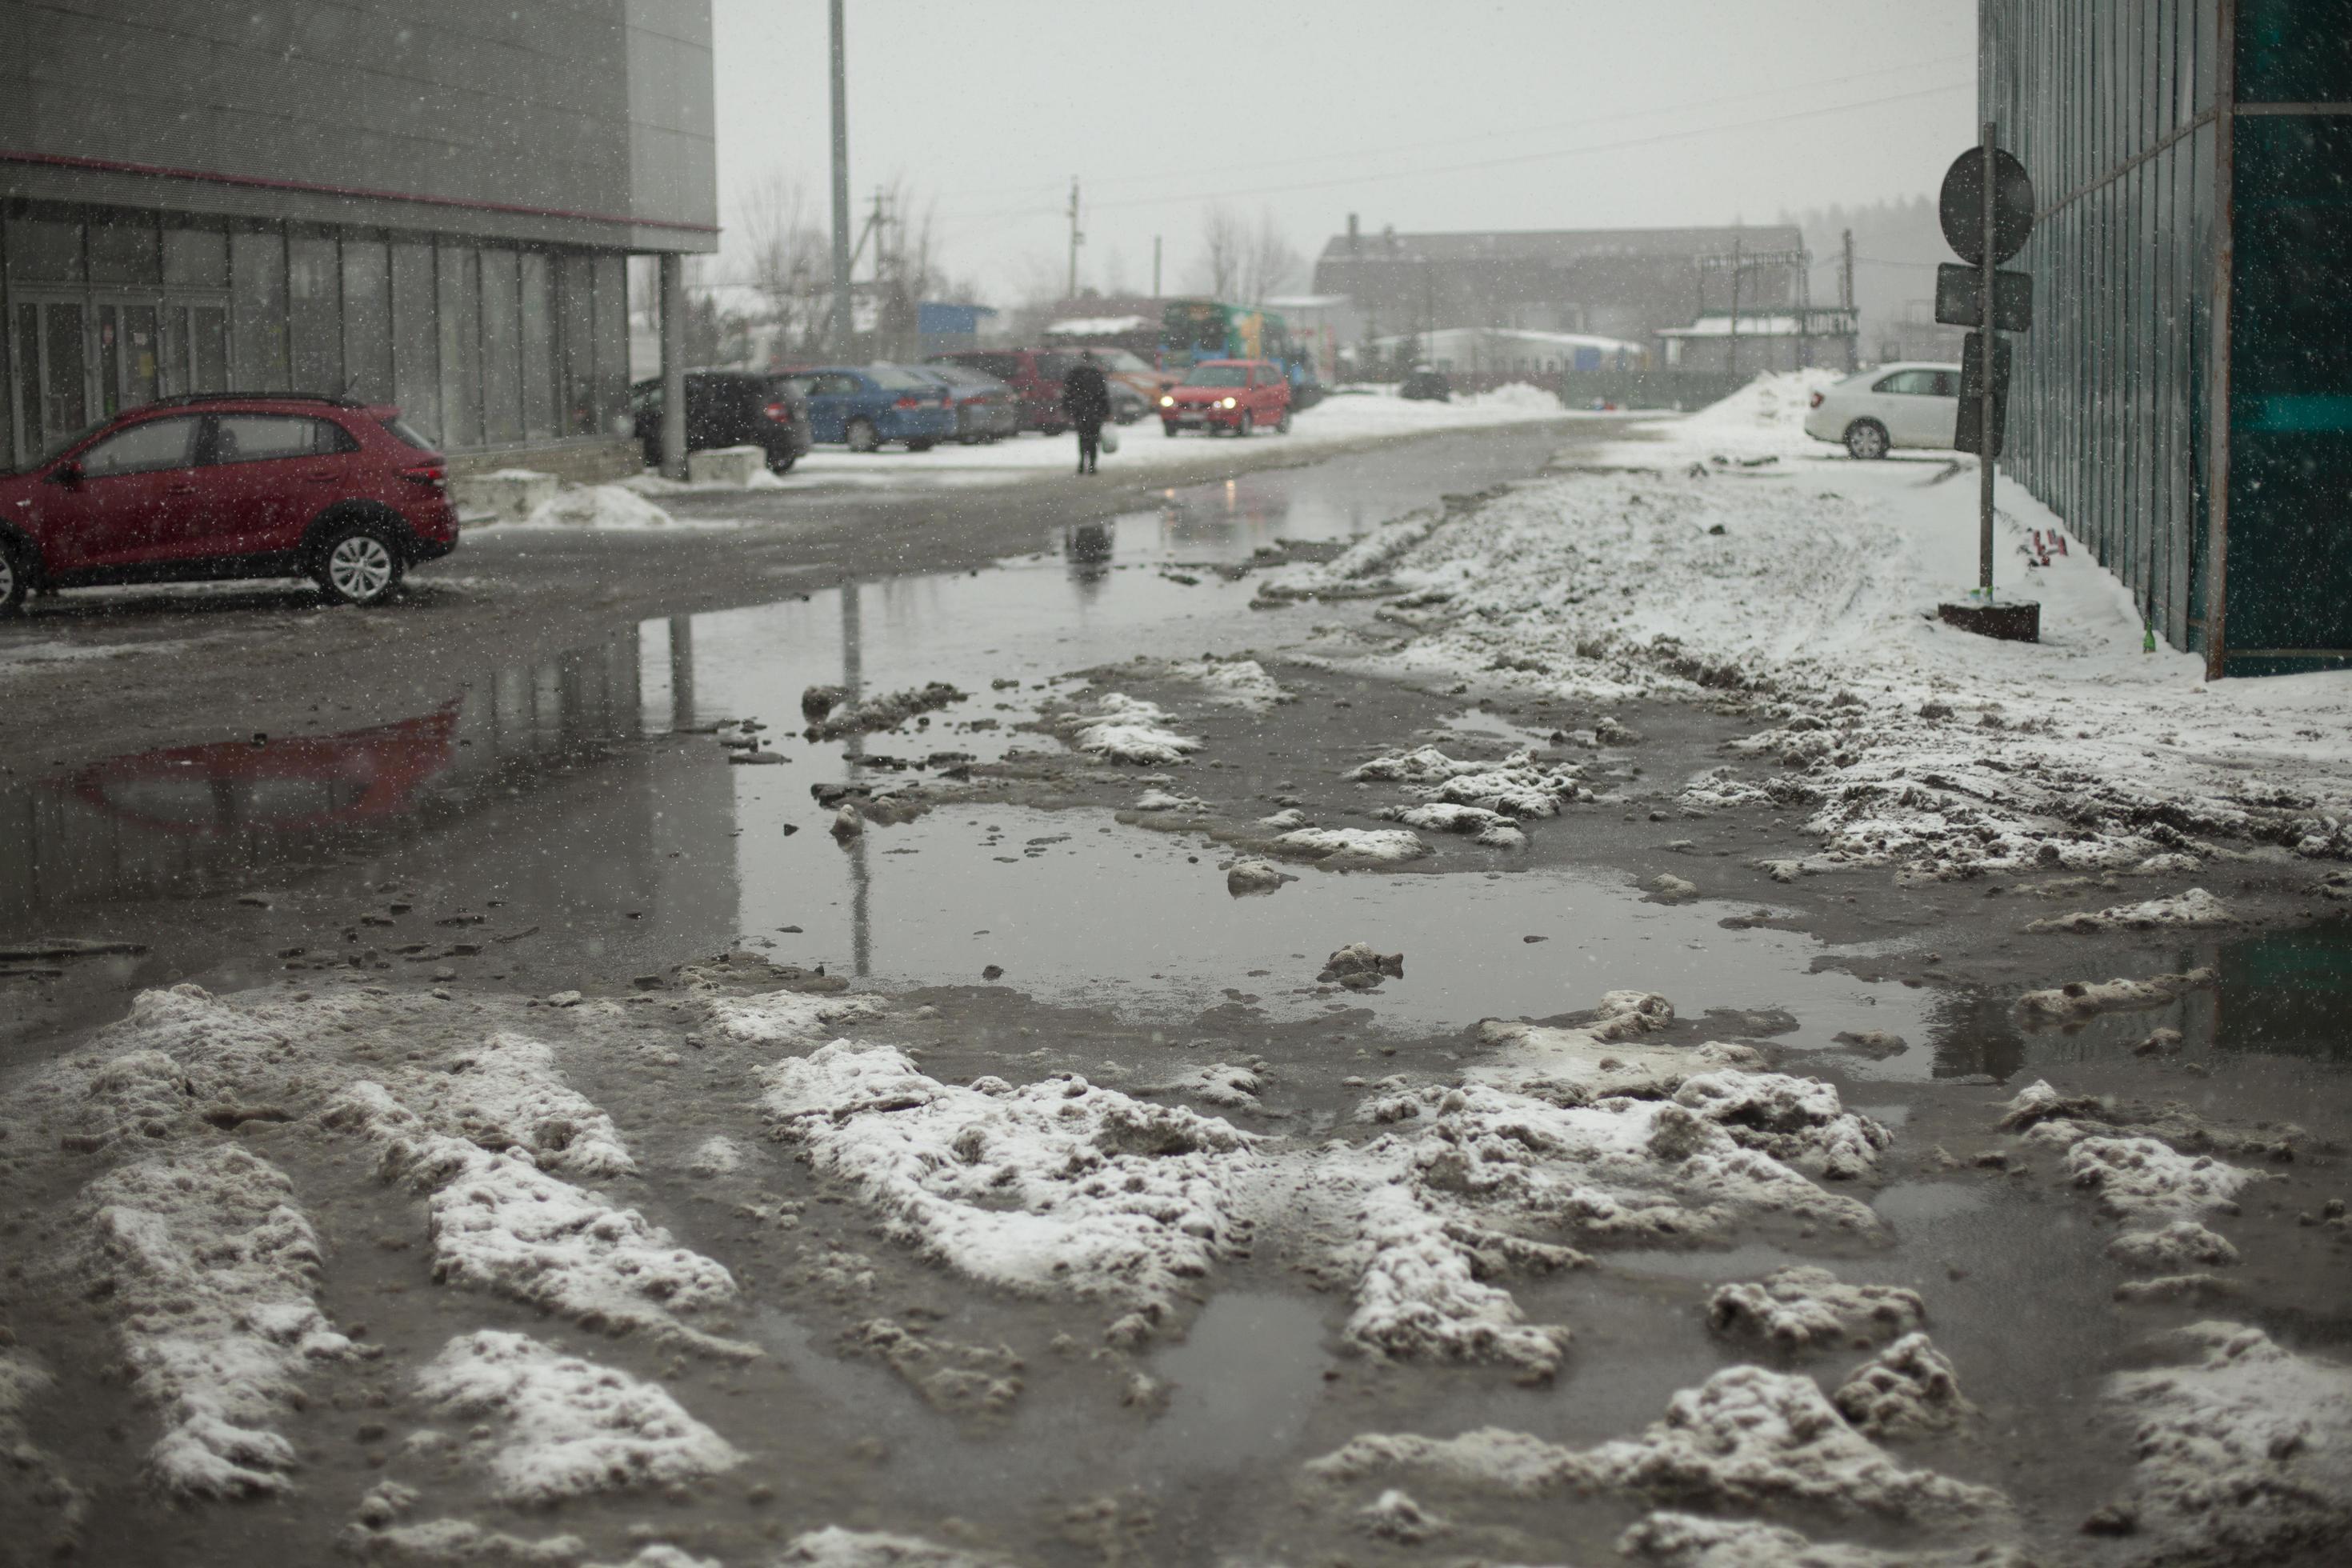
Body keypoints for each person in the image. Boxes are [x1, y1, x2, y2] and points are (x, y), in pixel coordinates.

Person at [1060, 351, 1113, 475]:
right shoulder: (1096, 374)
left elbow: (1068, 392)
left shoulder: (1075, 373)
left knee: (1082, 437)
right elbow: (1103, 395)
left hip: (1080, 411)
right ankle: (1092, 465)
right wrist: (1107, 412)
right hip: (1095, 411)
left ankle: (1082, 462)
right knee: (1093, 438)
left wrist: (1067, 408)